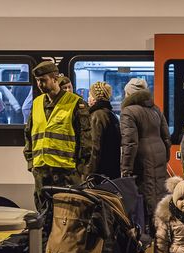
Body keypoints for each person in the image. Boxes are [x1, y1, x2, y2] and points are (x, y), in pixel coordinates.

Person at [23, 61, 91, 213]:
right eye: (38, 81)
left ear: (55, 79)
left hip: (66, 171)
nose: (40, 84)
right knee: (44, 212)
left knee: (67, 215)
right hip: (41, 171)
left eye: (43, 80)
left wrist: (80, 169)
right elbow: (29, 134)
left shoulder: (75, 103)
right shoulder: (36, 103)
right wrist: (31, 163)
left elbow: (85, 140)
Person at [120, 78, 171, 233]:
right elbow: (166, 137)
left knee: (144, 194)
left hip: (142, 158)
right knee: (158, 192)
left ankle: (147, 232)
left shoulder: (128, 111)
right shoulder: (156, 109)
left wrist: (125, 168)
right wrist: (165, 156)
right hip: (159, 154)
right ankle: (161, 231)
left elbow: (130, 143)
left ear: (128, 93)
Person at [87, 81, 121, 179]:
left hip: (100, 171)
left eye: (90, 95)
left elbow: (94, 147)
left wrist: (89, 173)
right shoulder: (111, 114)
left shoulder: (96, 115)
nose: (88, 99)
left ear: (95, 98)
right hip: (112, 169)